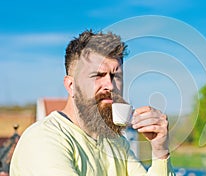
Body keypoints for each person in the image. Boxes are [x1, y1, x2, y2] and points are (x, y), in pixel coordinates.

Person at [10, 30, 175, 175]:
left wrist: (160, 151)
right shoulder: (43, 140)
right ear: (71, 85)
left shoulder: (116, 142)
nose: (110, 85)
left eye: (115, 76)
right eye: (98, 75)